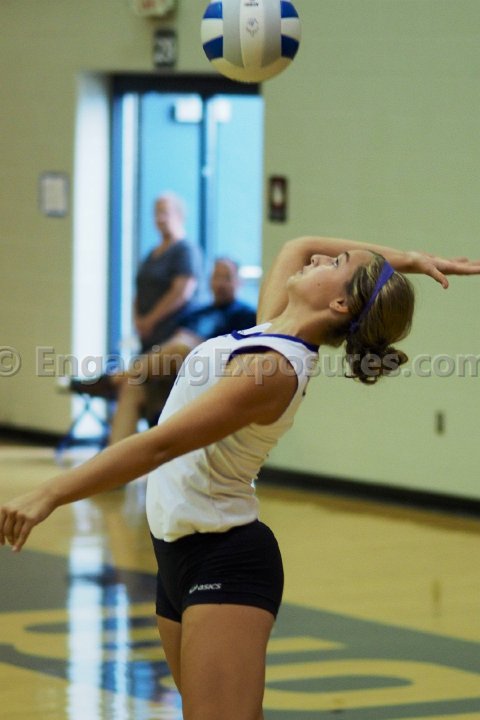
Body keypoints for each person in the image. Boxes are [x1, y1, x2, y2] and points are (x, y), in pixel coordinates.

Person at [2, 235, 480, 720]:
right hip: (176, 552)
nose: (318, 258)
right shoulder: (270, 332)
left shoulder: (271, 370)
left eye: (335, 263)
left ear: (340, 303)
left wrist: (50, 493)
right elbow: (299, 246)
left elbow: (159, 445)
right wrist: (409, 260)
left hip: (223, 560)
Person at [134, 192, 201, 353]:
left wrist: (150, 320)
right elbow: (141, 288)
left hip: (172, 335)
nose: (160, 218)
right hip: (148, 338)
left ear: (179, 215)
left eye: (165, 212)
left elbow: (181, 293)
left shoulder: (185, 250)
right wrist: (138, 321)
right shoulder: (152, 253)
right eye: (156, 213)